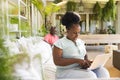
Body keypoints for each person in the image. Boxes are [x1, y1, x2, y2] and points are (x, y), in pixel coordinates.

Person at [52, 11, 110, 79]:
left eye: (78, 33)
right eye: (74, 33)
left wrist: (87, 63)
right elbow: (57, 61)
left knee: (103, 72)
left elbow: (85, 57)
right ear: (67, 30)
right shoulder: (59, 43)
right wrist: (77, 60)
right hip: (65, 71)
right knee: (91, 76)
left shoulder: (80, 42)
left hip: (80, 69)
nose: (77, 35)